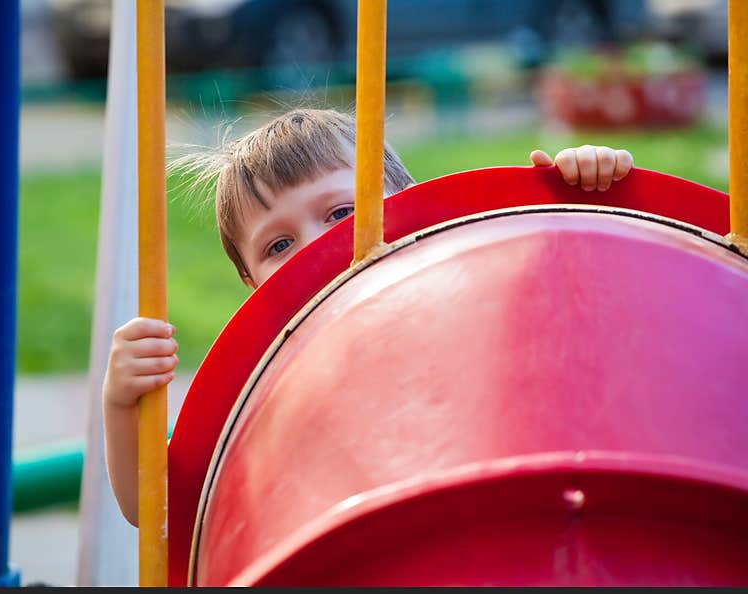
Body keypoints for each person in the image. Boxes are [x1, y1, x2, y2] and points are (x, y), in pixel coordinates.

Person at [103, 108, 634, 525]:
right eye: (280, 244)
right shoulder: (267, 379)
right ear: (250, 283)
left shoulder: (471, 287)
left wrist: (584, 188)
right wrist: (122, 403)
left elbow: (583, 309)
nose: (319, 247)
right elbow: (161, 510)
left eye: (341, 213)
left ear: (408, 203)